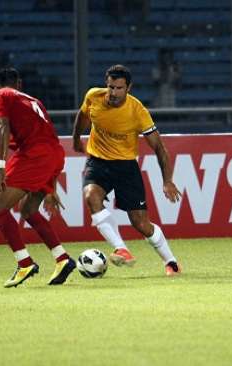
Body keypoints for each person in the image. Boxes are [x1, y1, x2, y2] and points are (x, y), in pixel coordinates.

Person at [72, 64, 182, 276]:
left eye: (119, 88)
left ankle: (171, 262)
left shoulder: (137, 111)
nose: (113, 93)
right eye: (111, 87)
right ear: (107, 84)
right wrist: (77, 138)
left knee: (141, 223)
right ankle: (121, 249)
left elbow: (159, 147)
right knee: (91, 196)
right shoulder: (94, 96)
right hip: (98, 162)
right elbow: (83, 116)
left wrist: (167, 180)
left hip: (125, 167)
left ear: (128, 88)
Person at [0, 67, 76, 288]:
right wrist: (51, 186)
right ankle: (62, 258)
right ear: (19, 84)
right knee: (28, 210)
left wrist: (0, 166)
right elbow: (47, 136)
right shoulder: (32, 100)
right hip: (54, 154)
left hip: (34, 155)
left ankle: (25, 263)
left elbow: (2, 125)